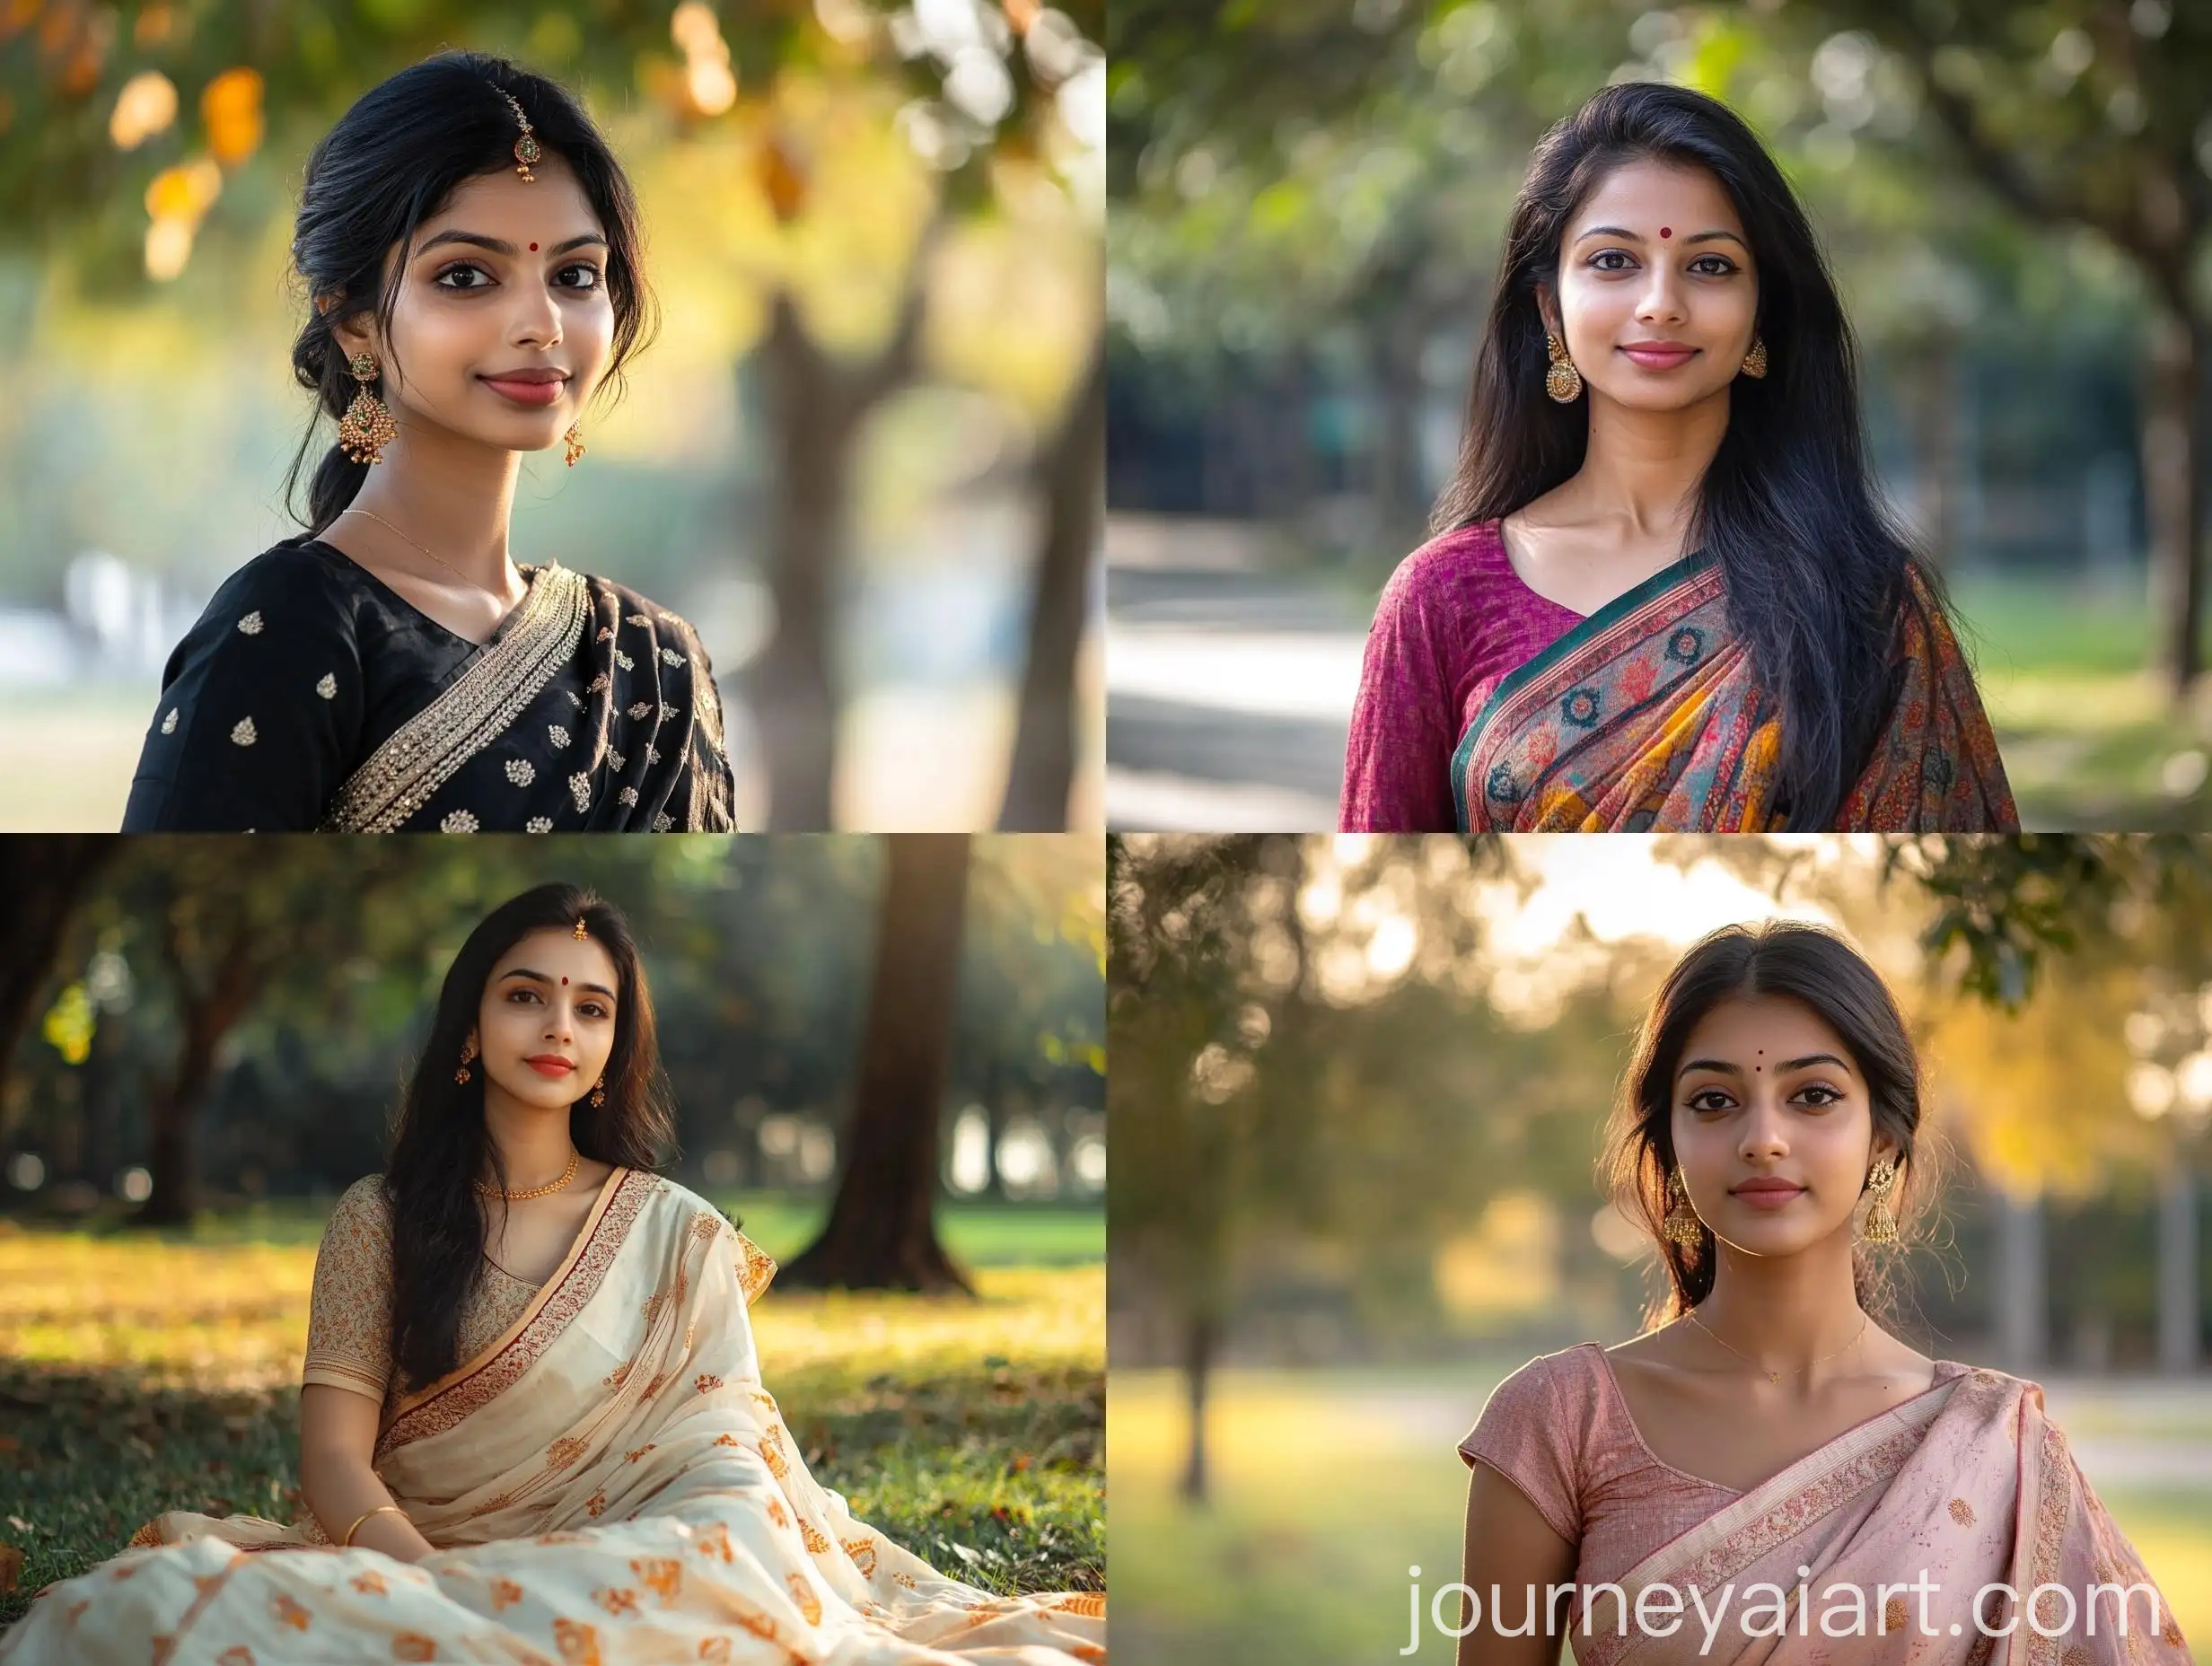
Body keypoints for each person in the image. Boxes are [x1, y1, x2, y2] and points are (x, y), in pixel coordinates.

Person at [0, 886, 1102, 1663]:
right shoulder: (377, 1218)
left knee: (715, 1560)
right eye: (527, 994)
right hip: (412, 1556)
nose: (559, 1026)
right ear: (472, 1026)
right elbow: (333, 1459)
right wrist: (428, 1577)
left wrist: (672, 1551)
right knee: (149, 1609)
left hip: (643, 1560)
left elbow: (725, 1452)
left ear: (616, 1046)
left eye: (592, 1005)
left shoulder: (675, 1231)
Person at [1452, 923, 2184, 1664]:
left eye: (1813, 1094)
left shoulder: (1997, 1445)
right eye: (1712, 1101)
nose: (1763, 1138)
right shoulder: (1563, 1420)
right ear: (1668, 1147)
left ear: (1883, 1141)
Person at [1342, 82, 2015, 834]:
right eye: (1612, 261)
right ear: (1548, 308)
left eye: (1710, 267)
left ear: (1763, 307)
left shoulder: (1866, 598)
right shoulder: (1442, 597)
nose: (1660, 302)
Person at [121, 53, 737, 832]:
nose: (541, 324)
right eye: (467, 276)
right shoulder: (286, 628)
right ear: (354, 320)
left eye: (576, 276)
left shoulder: (654, 665)